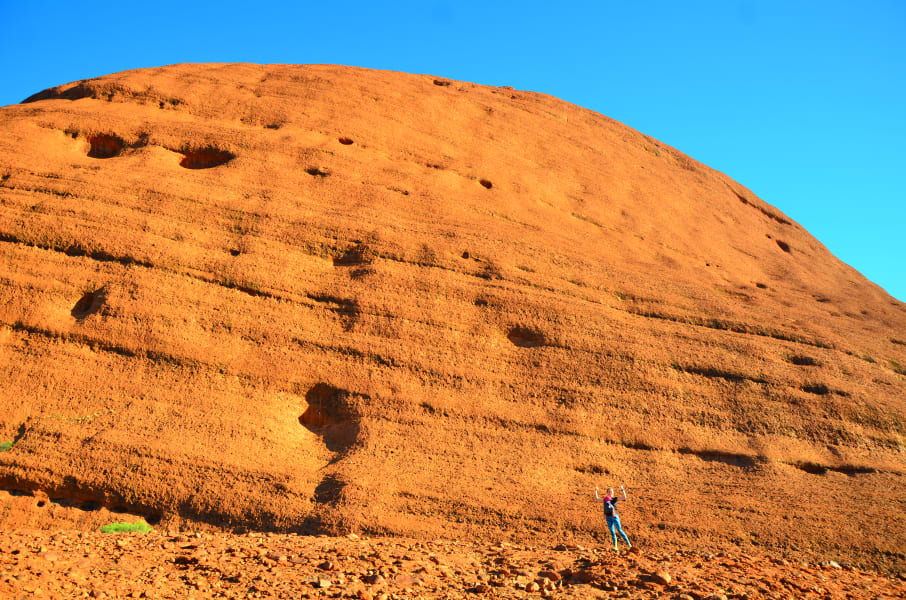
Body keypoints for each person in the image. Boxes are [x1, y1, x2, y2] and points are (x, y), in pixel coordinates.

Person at [594, 485, 632, 551]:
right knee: (612, 532)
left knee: (619, 530)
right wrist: (596, 491)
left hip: (614, 516)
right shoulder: (605, 500)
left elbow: (624, 497)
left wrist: (623, 489)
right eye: (609, 491)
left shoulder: (614, 499)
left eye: (611, 491)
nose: (610, 492)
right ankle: (615, 547)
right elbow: (597, 499)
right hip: (608, 517)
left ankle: (629, 545)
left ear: (613, 493)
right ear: (607, 492)